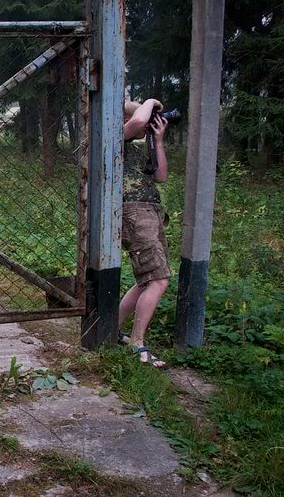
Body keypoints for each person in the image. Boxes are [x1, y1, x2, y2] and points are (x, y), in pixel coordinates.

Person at [119, 99, 170, 367]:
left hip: (151, 212)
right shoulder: (114, 137)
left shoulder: (140, 147)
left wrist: (158, 140)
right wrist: (150, 102)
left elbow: (160, 176)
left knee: (149, 280)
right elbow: (137, 121)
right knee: (158, 279)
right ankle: (137, 344)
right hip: (133, 212)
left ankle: (110, 330)